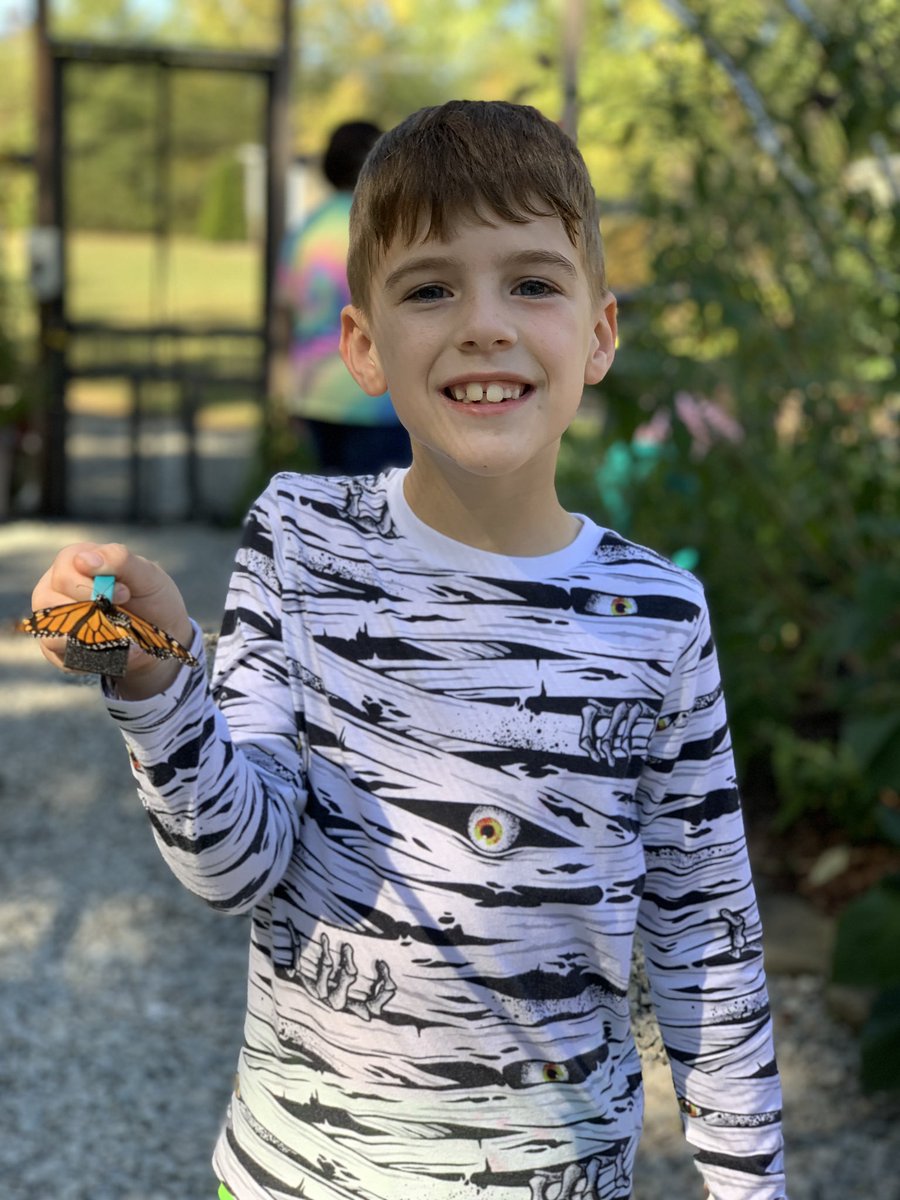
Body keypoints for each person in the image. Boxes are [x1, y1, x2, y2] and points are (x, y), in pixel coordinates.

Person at [28, 101, 787, 1200]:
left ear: (601, 334)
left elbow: (706, 941)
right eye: (432, 287)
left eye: (531, 282)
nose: (483, 323)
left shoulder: (659, 618)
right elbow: (233, 863)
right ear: (364, 346)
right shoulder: (295, 539)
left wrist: (750, 1185)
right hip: (298, 1174)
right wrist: (155, 684)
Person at [276, 120, 409, 474]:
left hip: (315, 391)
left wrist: (286, 390)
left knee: (335, 513)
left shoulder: (305, 230)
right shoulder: (391, 229)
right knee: (384, 517)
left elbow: (286, 314)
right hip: (377, 397)